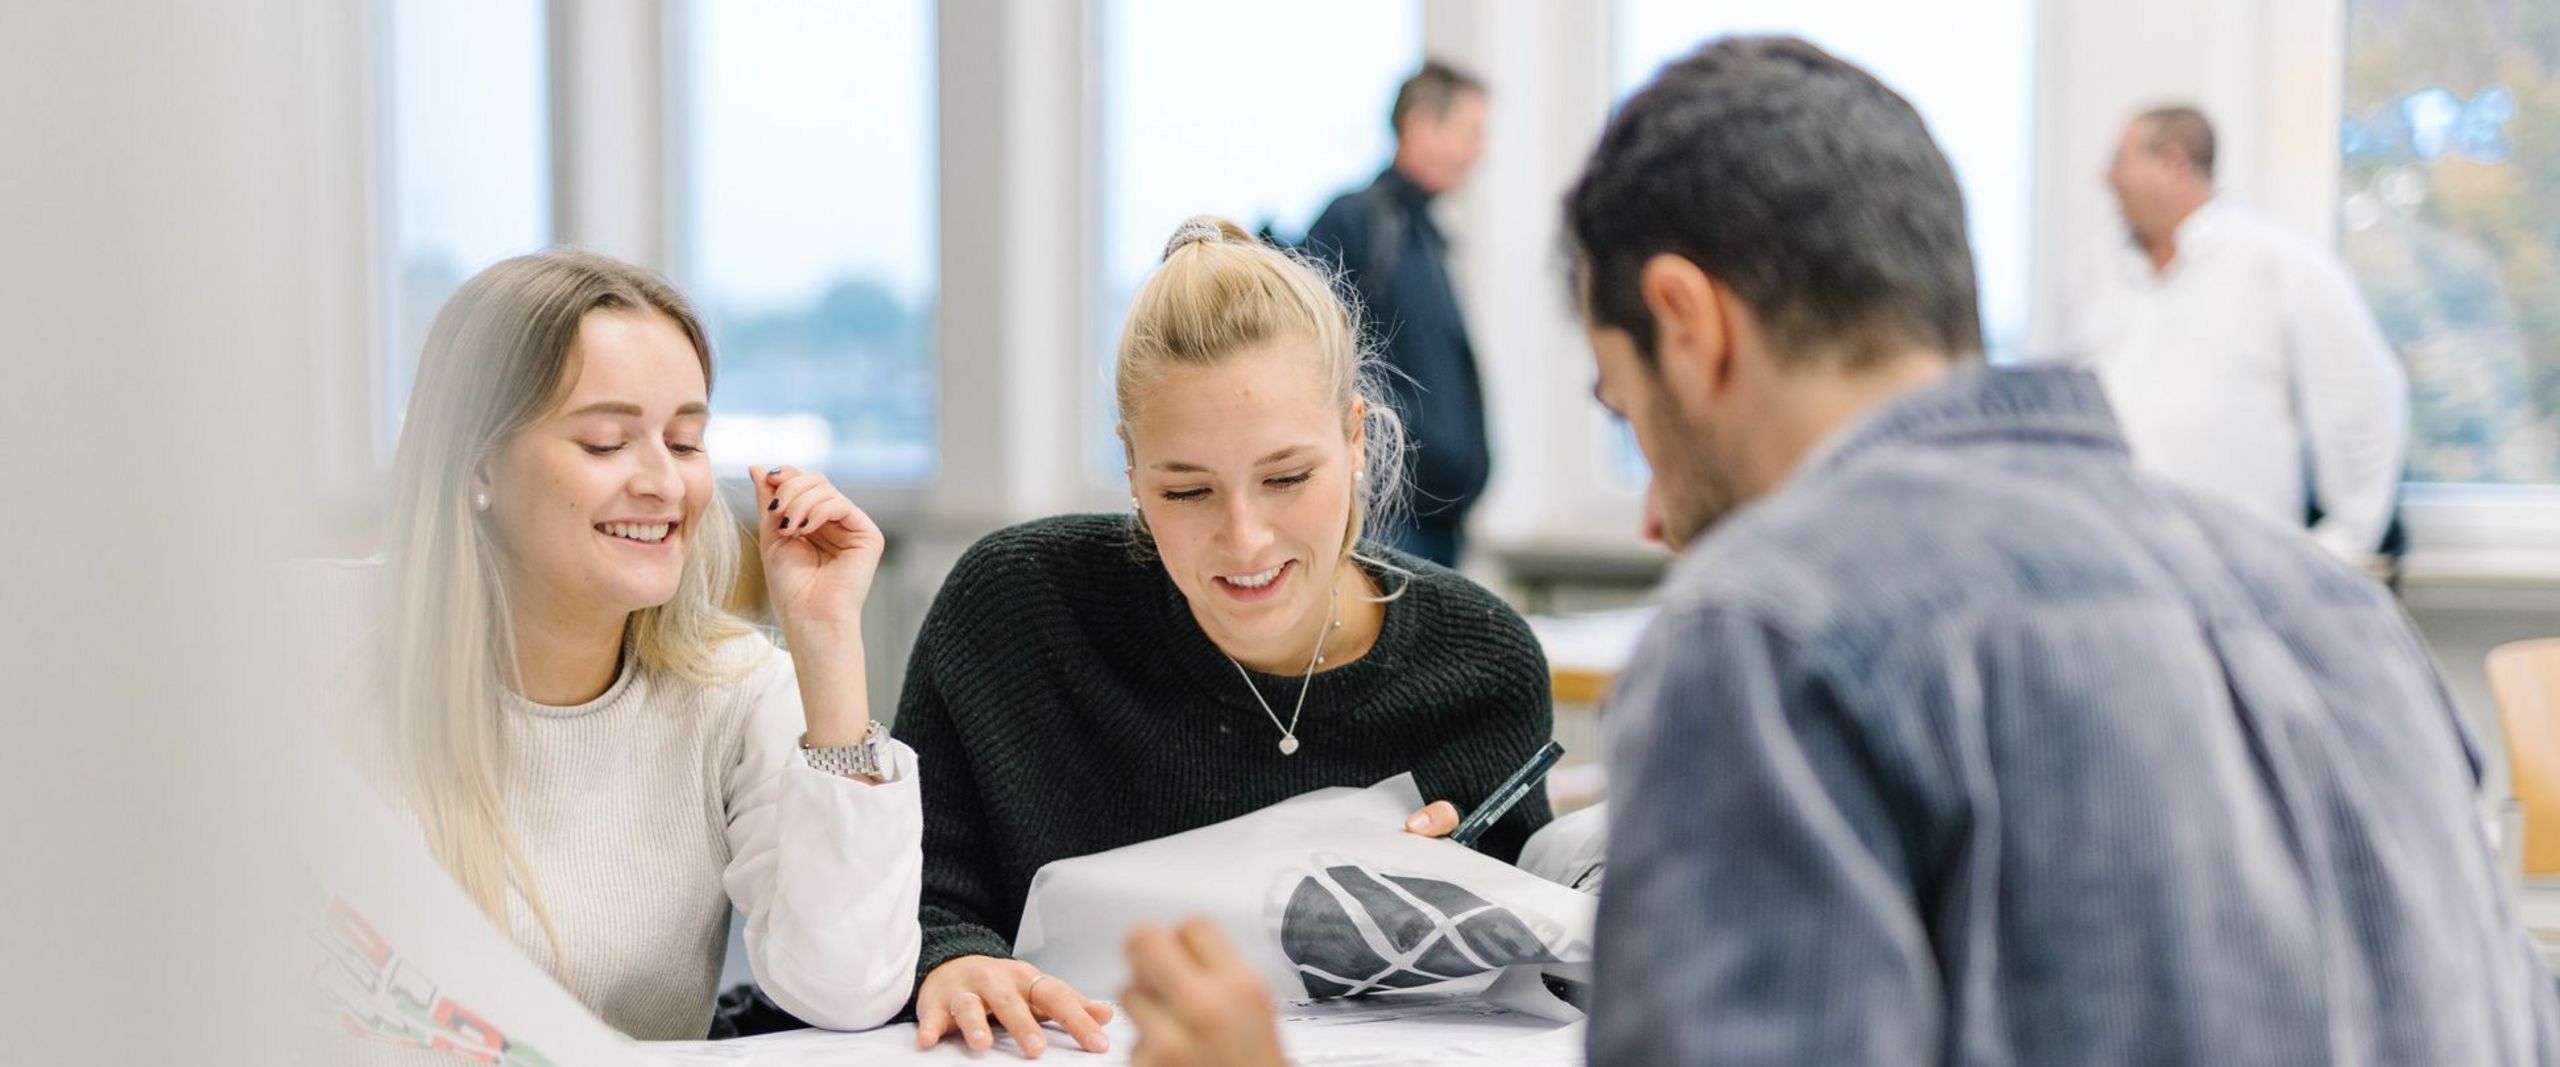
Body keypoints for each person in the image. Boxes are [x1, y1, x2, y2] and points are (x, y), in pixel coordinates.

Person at [1117, 35, 2560, 1067]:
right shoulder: (2339, 619)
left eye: (1635, 417)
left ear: (1692, 321)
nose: (1653, 517)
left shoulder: (1774, 635)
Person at [894, 217, 1555, 1059]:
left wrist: (1470, 901)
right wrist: (950, 960)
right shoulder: (1016, 614)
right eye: (1186, 491)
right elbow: (917, 905)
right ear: (1131, 467)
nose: (1245, 540)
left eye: (1286, 477)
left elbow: (1545, 979)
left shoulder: (1480, 667)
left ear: (1354, 438)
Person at [335, 250, 924, 1040]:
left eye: (684, 442)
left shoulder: (737, 693)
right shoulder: (313, 639)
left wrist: (829, 646)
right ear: (478, 464)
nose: (664, 482)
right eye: (608, 442)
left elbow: (850, 989)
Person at [2033, 104, 2409, 563]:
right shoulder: (2089, 273)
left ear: (2173, 163)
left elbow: (2360, 396)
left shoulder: (2278, 262)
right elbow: (2047, 402)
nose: (2107, 178)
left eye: (2119, 160)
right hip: (2104, 563)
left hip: (2239, 569)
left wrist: (2345, 541)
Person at [1302, 60, 1491, 568]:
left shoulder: (1423, 234)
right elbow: (1312, 356)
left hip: (1439, 519)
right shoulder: (1358, 220)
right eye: (1469, 132)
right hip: (1390, 517)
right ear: (1420, 125)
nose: (1478, 152)